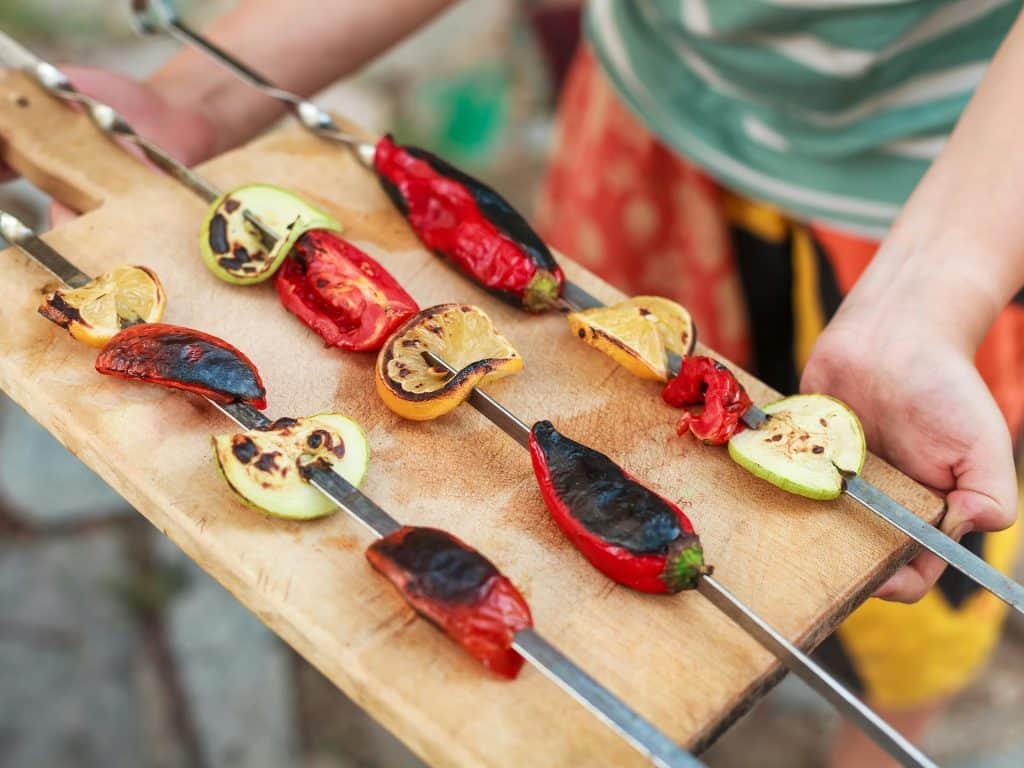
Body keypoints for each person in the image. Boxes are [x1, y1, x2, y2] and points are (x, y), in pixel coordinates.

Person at [5, 1, 1022, 764]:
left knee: (896, 588)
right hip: (653, 128)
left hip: (943, 205)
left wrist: (938, 284)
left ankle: (885, 730)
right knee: (607, 372)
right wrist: (206, 94)